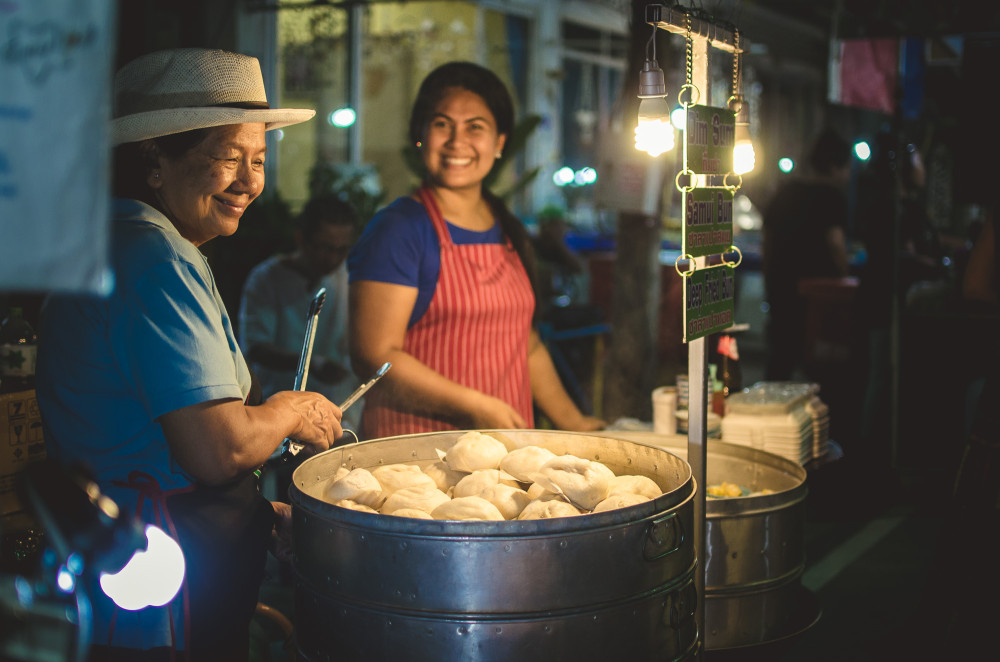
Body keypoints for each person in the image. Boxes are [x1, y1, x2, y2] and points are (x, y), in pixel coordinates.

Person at [35, 48, 344, 662]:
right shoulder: (154, 260)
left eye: (258, 161)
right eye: (227, 158)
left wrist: (258, 518)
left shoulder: (113, 244)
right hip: (153, 577)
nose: (250, 182)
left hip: (131, 557)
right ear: (154, 161)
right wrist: (289, 409)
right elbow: (215, 449)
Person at [347, 61, 605, 438]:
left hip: (507, 457)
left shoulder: (508, 227)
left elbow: (526, 346)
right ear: (420, 134)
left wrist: (574, 423)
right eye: (441, 125)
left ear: (500, 142)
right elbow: (375, 357)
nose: (457, 142)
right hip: (417, 459)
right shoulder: (400, 229)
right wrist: (472, 405)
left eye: (475, 127)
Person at [240, 193, 362, 431]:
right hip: (278, 415)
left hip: (339, 412)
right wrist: (312, 363)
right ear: (301, 238)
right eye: (326, 248)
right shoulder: (266, 279)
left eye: (341, 249)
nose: (333, 258)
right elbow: (256, 348)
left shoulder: (348, 277)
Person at [761, 128, 852, 381]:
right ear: (835, 166)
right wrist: (846, 279)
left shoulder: (786, 191)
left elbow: (766, 238)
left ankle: (770, 413)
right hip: (817, 297)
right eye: (847, 167)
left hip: (782, 289)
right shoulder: (833, 197)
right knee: (820, 370)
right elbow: (836, 244)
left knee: (780, 361)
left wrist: (769, 278)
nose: (848, 175)